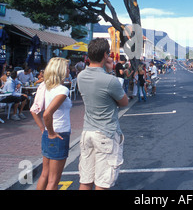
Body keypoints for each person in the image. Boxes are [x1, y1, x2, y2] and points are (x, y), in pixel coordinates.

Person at [77, 38, 128, 190]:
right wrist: (109, 72)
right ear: (106, 55)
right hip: (106, 133)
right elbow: (124, 102)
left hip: (87, 132)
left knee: (86, 180)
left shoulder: (81, 76)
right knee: (102, 182)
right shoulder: (110, 81)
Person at [30, 57, 72, 190]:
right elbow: (47, 113)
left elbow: (35, 110)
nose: (69, 70)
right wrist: (52, 132)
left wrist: (44, 129)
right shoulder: (62, 90)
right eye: (66, 68)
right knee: (54, 180)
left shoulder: (45, 86)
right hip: (59, 134)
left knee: (45, 175)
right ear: (60, 70)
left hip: (49, 133)